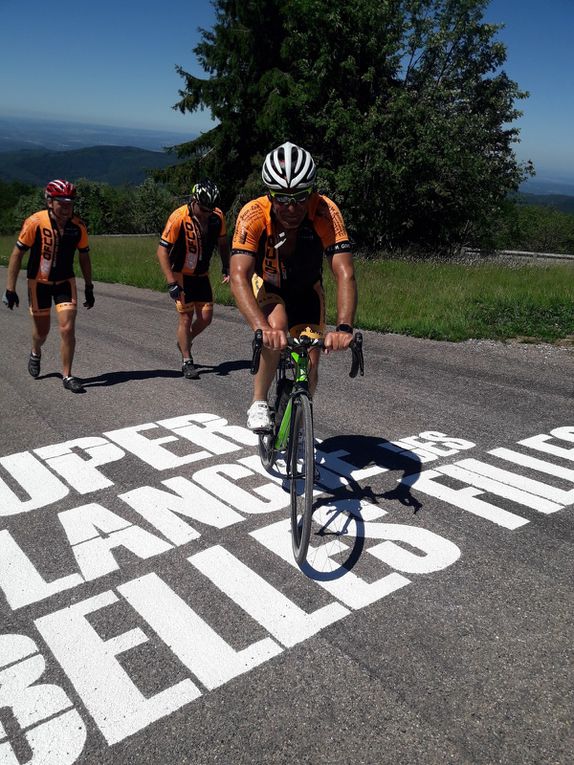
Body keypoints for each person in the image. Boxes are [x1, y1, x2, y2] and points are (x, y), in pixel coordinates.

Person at [230, 141, 357, 431]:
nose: (291, 207)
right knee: (276, 327)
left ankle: (300, 415)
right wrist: (259, 327)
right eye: (281, 198)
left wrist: (345, 328)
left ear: (311, 192)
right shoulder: (252, 214)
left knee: (310, 360)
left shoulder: (325, 211)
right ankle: (259, 401)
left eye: (300, 197)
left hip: (306, 289)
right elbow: (239, 276)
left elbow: (344, 272)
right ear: (268, 194)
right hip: (269, 286)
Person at [2, 179, 94, 393]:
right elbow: (17, 255)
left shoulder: (77, 226)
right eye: (61, 203)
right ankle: (35, 351)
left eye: (70, 203)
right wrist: (10, 288)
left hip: (65, 282)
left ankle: (68, 375)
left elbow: (84, 257)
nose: (66, 208)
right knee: (42, 332)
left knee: (67, 328)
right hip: (39, 283)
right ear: (49, 202)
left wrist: (89, 286)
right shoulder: (35, 222)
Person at [156, 179, 230, 379]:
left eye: (210, 209)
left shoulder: (217, 216)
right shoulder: (179, 217)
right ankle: (187, 360)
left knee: (206, 318)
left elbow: (223, 243)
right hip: (181, 275)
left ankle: (184, 341)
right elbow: (162, 251)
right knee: (186, 318)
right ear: (194, 200)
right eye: (203, 209)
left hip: (202, 275)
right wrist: (171, 282)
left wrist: (226, 266)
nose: (207, 213)